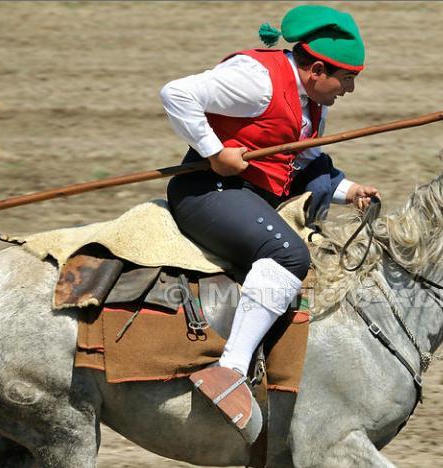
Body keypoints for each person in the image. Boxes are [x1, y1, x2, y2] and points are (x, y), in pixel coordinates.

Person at [160, 5, 380, 444]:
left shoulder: (314, 103)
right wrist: (214, 152)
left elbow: (297, 165)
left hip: (249, 197)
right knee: (288, 254)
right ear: (317, 70)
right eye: (347, 78)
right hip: (208, 192)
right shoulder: (256, 80)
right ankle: (229, 372)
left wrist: (350, 190)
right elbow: (176, 94)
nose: (350, 89)